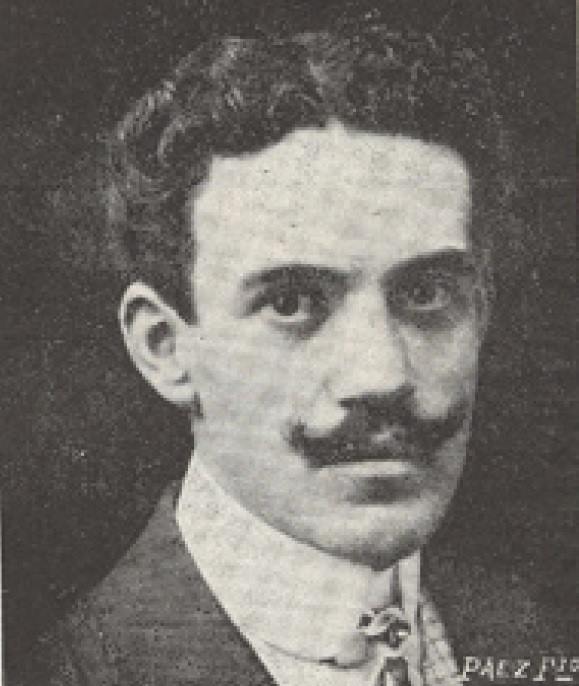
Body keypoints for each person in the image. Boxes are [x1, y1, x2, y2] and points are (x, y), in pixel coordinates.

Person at [17, 27, 566, 686]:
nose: (381, 375)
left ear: (481, 308)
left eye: (425, 294)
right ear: (165, 348)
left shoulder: (536, 634)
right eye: (292, 302)